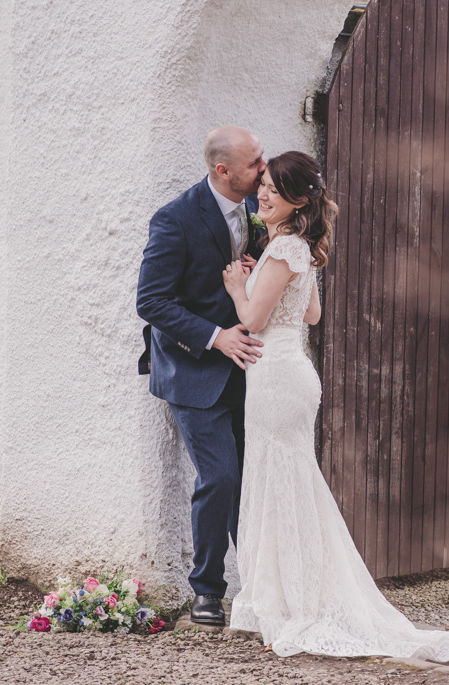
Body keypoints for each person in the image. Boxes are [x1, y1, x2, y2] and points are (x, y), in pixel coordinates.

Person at [222, 151, 449, 661]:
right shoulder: (298, 248)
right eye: (262, 185)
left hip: (276, 377)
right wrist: (264, 276)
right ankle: (286, 595)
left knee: (279, 481)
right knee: (289, 481)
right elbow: (310, 314)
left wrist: (238, 286)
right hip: (291, 373)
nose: (262, 194)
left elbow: (251, 318)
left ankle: (291, 602)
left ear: (299, 200)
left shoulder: (284, 247)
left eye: (273, 188)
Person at [137, 126, 266, 626]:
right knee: (220, 477)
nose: (264, 167)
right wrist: (217, 336)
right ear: (223, 170)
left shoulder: (258, 211)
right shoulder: (175, 219)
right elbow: (151, 302)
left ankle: (259, 584)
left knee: (253, 480)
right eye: (254, 162)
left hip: (248, 371)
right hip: (193, 371)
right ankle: (207, 591)